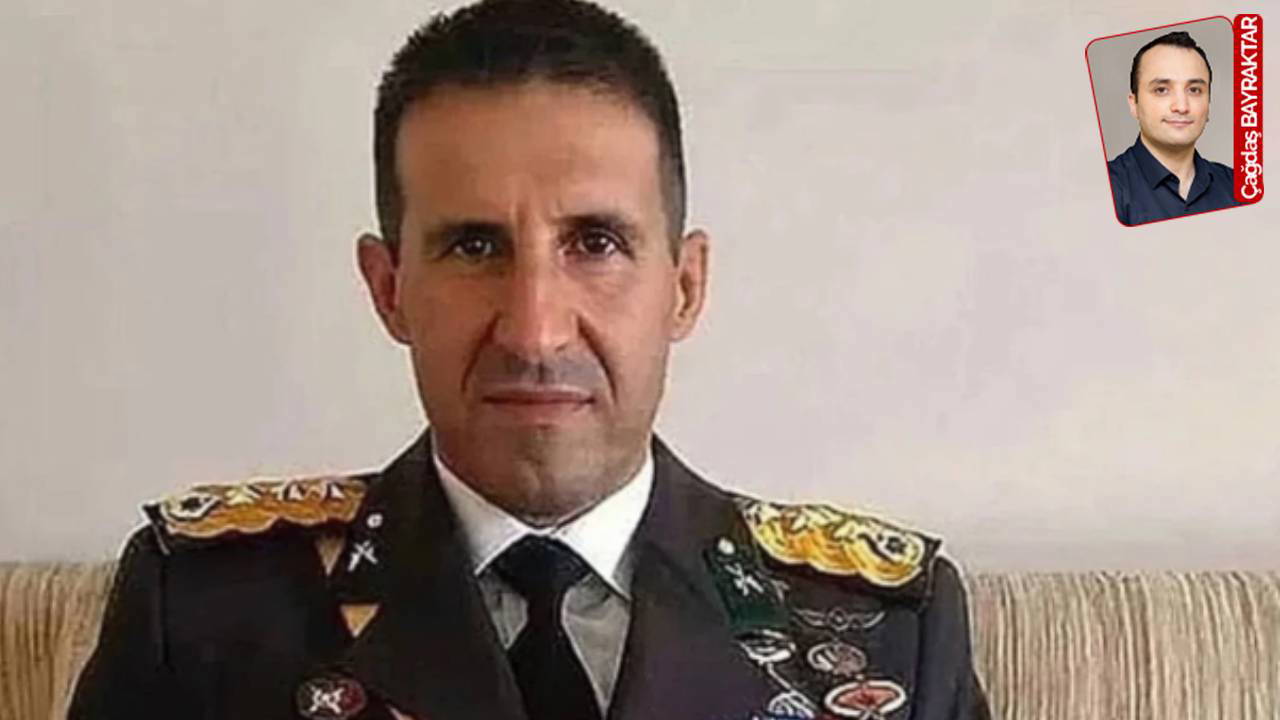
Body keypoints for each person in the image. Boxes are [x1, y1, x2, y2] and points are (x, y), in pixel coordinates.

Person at [68, 1, 991, 718]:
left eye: (596, 243)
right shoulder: (202, 618)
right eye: (474, 247)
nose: (535, 331)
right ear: (388, 289)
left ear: (684, 286)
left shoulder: (890, 638)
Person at [1107, 30, 1240, 225]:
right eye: (1162, 90)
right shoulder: (1105, 189)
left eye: (1194, 90)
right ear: (1134, 104)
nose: (1182, 106)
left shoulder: (1238, 187)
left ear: (1208, 104)